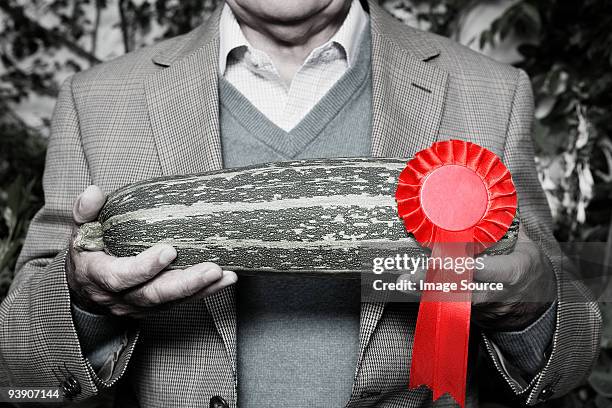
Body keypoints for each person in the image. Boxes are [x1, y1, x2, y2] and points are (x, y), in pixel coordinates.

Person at [0, 0, 601, 407]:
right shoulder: (97, 99)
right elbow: (18, 366)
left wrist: (528, 306)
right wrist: (83, 300)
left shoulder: (490, 92)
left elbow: (570, 354)